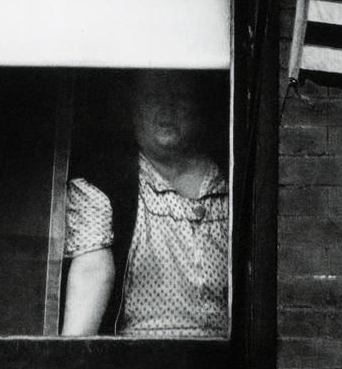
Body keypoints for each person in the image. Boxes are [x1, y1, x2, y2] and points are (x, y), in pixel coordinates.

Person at [61, 71, 228, 337]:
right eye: (153, 96)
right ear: (133, 107)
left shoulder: (230, 184)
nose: (166, 108)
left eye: (179, 96)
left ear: (197, 105)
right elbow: (91, 272)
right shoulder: (106, 186)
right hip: (141, 366)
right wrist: (69, 367)